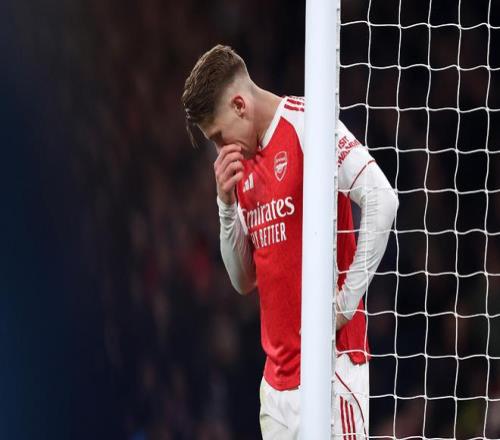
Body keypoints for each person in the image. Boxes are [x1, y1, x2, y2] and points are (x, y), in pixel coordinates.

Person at [182, 44, 398, 439]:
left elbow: (382, 199)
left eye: (218, 136)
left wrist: (344, 305)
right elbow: (243, 280)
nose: (220, 150)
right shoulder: (239, 166)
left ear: (239, 106)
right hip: (277, 390)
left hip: (333, 370)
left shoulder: (309, 124)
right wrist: (225, 205)